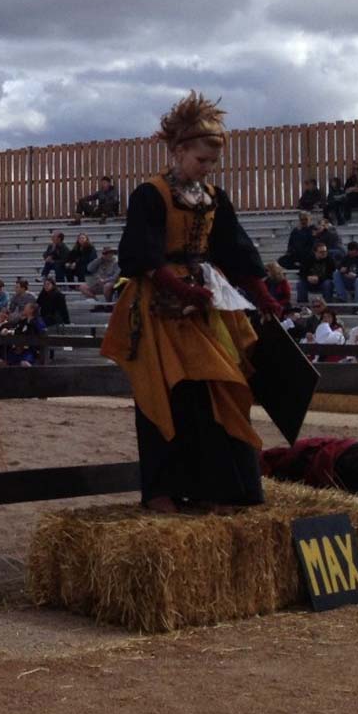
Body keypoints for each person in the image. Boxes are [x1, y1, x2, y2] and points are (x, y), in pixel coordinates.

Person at [100, 91, 281, 514]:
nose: (208, 169)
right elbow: (141, 255)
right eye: (202, 160)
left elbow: (236, 250)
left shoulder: (214, 198)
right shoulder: (151, 194)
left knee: (219, 388)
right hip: (159, 307)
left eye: (213, 163)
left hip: (206, 302)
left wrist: (262, 293)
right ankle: (162, 490)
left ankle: (218, 489)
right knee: (166, 394)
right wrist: (181, 289)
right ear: (179, 151)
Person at [3, 301, 46, 366]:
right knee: (2, 361)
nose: (24, 308)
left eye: (26, 307)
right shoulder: (23, 321)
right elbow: (17, 331)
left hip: (30, 350)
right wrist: (8, 331)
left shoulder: (38, 321)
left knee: (24, 363)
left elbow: (40, 334)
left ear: (31, 310)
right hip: (17, 348)